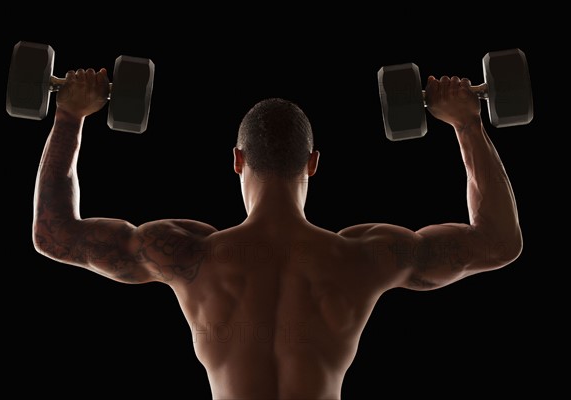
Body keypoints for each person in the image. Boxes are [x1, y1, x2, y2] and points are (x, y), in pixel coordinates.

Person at [32, 67, 522, 400]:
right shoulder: (368, 256)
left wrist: (70, 115)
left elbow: (54, 235)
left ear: (237, 160)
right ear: (313, 164)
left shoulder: (184, 252)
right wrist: (467, 123)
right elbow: (499, 241)